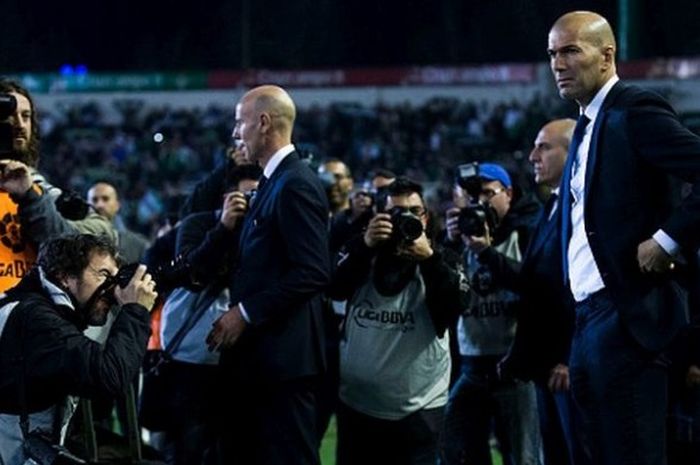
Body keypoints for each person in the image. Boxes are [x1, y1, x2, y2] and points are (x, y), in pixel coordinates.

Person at [548, 11, 700, 465]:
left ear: (606, 56)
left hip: (627, 318)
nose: (558, 63)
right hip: (586, 322)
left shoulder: (635, 109)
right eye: (553, 53)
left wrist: (667, 240)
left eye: (571, 50)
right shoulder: (584, 127)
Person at [206, 85, 330, 465]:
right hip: (266, 363)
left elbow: (313, 270)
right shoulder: (274, 183)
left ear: (263, 123)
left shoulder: (296, 184)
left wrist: (244, 313)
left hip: (284, 366)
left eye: (239, 122)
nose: (234, 133)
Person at [328, 176, 468, 465]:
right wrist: (365, 246)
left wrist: (428, 260)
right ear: (380, 217)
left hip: (418, 411)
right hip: (357, 407)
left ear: (426, 219)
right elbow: (333, 287)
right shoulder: (361, 250)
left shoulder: (445, 258)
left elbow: (457, 305)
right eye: (396, 213)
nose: (406, 219)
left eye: (414, 212)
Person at [0, 234, 157, 465]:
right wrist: (135, 310)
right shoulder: (36, 319)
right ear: (65, 276)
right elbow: (108, 376)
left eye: (116, 278)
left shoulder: (32, 306)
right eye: (103, 274)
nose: (112, 288)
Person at [500, 119, 591, 465]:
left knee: (576, 453)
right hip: (545, 366)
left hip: (566, 368)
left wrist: (570, 357)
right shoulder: (552, 206)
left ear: (573, 154)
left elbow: (580, 289)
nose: (532, 156)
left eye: (544, 147)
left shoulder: (580, 209)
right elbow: (536, 286)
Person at [441, 162, 542, 465]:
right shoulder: (460, 238)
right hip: (471, 363)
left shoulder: (528, 229)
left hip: (515, 366)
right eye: (473, 197)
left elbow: (534, 286)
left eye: (487, 193)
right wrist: (448, 243)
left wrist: (486, 252)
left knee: (523, 456)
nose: (480, 203)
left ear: (508, 193)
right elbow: (443, 293)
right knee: (455, 450)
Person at [0, 79, 116, 293]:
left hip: (28, 313)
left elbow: (105, 235)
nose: (19, 124)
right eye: (8, 114)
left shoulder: (40, 190)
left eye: (26, 116)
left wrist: (51, 218)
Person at [87, 181, 150, 264]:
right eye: (94, 200)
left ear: (117, 205)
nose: (99, 205)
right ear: (87, 206)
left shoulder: (139, 245)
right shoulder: (76, 242)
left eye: (105, 199)